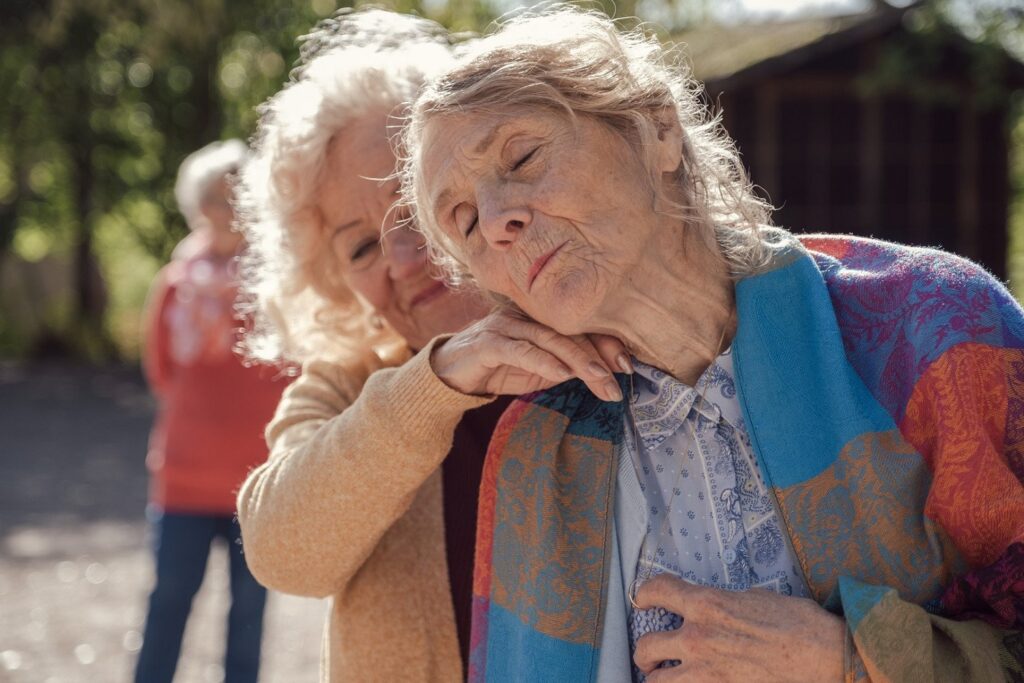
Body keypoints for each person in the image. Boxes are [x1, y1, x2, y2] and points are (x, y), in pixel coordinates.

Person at [400, 6, 1024, 681]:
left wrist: (850, 658)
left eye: (522, 156)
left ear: (657, 129)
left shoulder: (937, 330)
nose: (496, 221)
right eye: (462, 221)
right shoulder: (537, 454)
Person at [233, 9, 625, 682]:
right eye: (358, 245)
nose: (402, 254)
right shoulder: (349, 382)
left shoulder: (617, 331)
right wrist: (439, 380)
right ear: (332, 279)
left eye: (412, 204)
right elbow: (281, 550)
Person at [136, 139, 288, 683]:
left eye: (237, 199)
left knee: (249, 615)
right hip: (183, 478)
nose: (227, 211)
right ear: (197, 207)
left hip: (258, 481)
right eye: (216, 200)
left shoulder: (280, 285)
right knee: (168, 603)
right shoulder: (175, 285)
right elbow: (160, 372)